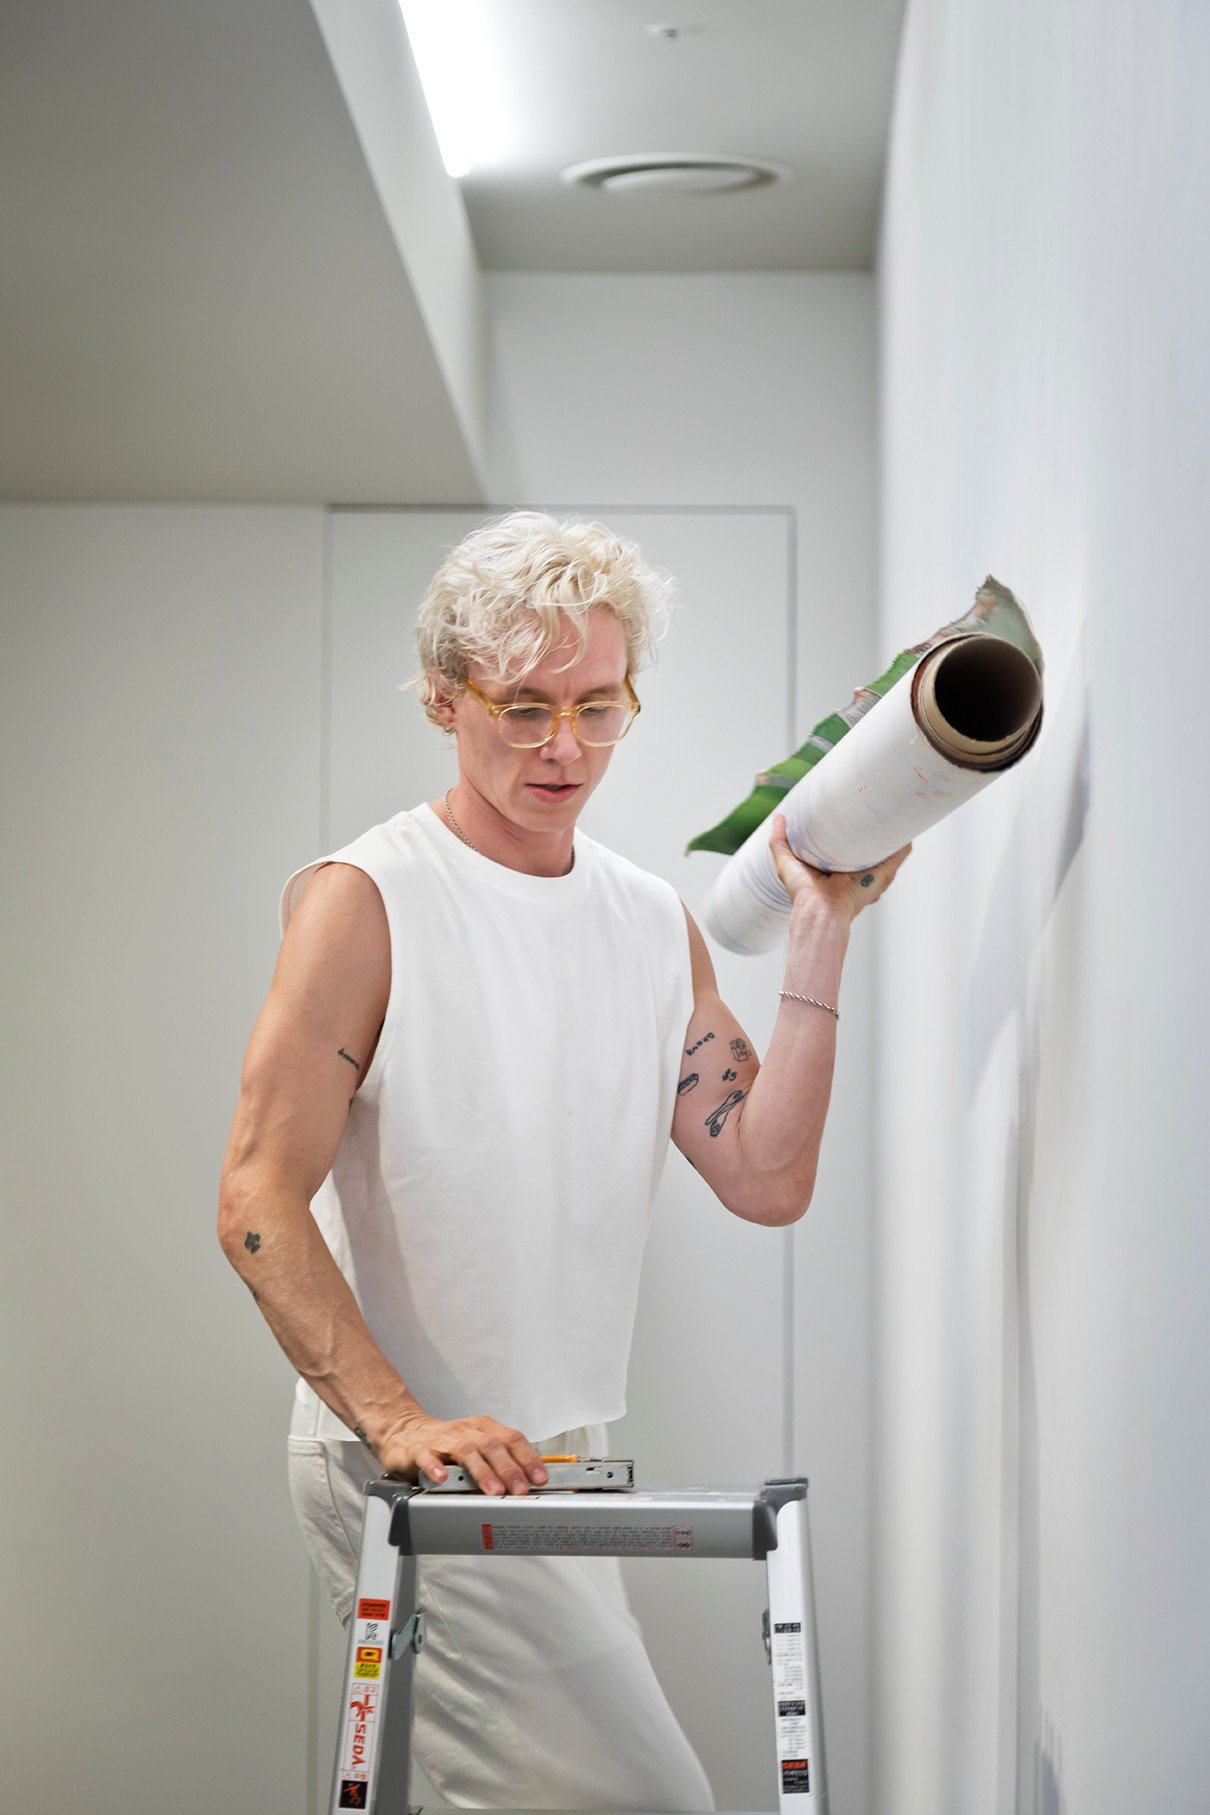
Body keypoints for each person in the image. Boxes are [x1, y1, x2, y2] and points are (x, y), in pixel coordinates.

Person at [217, 511, 907, 1809]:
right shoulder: (366, 900)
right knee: (645, 1801)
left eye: (597, 706)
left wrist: (820, 933)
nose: (564, 748)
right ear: (441, 696)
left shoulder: (648, 922)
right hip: (404, 1443)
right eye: (523, 707)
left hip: (548, 1439)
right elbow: (253, 1195)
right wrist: (398, 1423)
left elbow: (764, 1178)